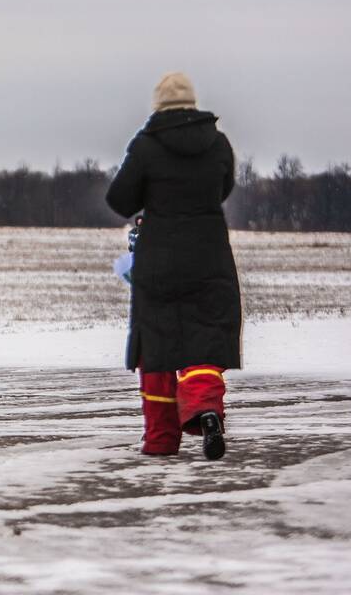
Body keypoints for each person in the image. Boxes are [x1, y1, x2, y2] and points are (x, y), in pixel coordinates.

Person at [106, 72, 241, 460]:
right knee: (205, 340)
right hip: (209, 256)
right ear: (193, 104)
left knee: (159, 346)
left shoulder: (147, 146)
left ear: (158, 105)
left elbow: (120, 200)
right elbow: (223, 188)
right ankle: (207, 412)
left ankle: (161, 439)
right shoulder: (217, 144)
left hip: (159, 261)